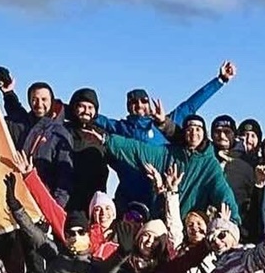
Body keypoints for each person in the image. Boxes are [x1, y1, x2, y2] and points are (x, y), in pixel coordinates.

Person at [89, 62, 238, 211]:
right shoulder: (119, 127)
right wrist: (72, 109)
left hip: (159, 197)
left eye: (143, 101)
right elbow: (91, 116)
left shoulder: (164, 123)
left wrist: (220, 80)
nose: (139, 105)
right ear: (128, 106)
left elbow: (191, 105)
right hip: (128, 198)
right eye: (134, 102)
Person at [99, 107, 241, 224]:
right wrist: (108, 140)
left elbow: (222, 191)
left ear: (204, 133)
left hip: (190, 226)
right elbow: (137, 149)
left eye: (198, 129)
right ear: (184, 133)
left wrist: (233, 222)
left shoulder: (210, 164)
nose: (194, 133)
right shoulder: (168, 153)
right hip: (160, 221)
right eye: (189, 129)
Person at [0, 76, 76, 207]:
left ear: (52, 101)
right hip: (17, 200)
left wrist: (55, 208)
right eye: (34, 99)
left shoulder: (59, 133)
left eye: (44, 99)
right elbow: (1, 118)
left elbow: (65, 177)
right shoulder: (24, 125)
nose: (39, 104)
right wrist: (2, 93)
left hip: (43, 203)